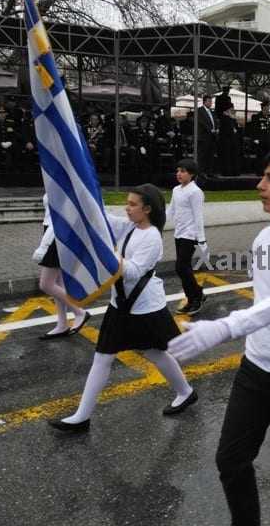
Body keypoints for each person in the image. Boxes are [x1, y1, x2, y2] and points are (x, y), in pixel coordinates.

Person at [168, 149, 270, 526]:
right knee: (231, 459)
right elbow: (266, 297)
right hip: (256, 368)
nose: (260, 186)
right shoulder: (264, 238)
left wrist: (224, 327)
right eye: (263, 177)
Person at [49, 184, 197, 432]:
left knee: (154, 353)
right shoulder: (131, 227)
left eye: (132, 205)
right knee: (103, 357)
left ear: (147, 209)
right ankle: (82, 416)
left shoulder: (151, 237)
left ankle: (185, 391)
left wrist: (107, 253)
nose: (127, 209)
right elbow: (103, 220)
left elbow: (133, 272)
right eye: (127, 203)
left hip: (144, 307)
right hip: (121, 304)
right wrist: (82, 199)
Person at [32, 194, 91, 339]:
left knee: (46, 284)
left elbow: (61, 216)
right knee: (58, 283)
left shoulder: (63, 178)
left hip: (57, 234)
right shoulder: (52, 175)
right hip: (50, 231)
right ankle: (62, 324)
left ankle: (79, 312)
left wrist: (43, 246)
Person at [168, 158, 208, 315]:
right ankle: (197, 293)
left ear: (191, 174)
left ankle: (195, 299)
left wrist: (202, 240)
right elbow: (170, 210)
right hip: (179, 233)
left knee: (181, 267)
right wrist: (155, 224)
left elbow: (199, 217)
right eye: (178, 170)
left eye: (183, 171)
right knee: (183, 268)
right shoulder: (176, 190)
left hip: (190, 235)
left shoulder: (195, 192)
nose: (179, 173)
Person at [197, 93, 217, 175]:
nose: (210, 103)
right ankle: (201, 172)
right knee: (203, 155)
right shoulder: (200, 110)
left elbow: (214, 121)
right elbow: (201, 122)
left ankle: (209, 172)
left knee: (210, 155)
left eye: (211, 101)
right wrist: (210, 130)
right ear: (204, 102)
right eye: (209, 101)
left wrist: (216, 129)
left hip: (211, 137)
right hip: (204, 136)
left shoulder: (212, 112)